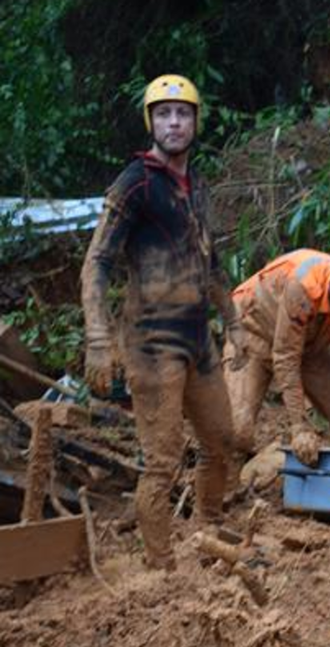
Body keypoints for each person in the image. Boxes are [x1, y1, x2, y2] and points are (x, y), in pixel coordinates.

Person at [81, 74, 245, 570]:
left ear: (196, 121)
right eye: (164, 114)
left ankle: (210, 533)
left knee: (222, 443)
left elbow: (211, 263)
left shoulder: (196, 186)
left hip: (199, 341)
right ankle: (161, 567)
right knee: (163, 463)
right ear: (151, 121)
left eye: (183, 113)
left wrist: (234, 322)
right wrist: (97, 336)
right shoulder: (136, 185)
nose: (174, 122)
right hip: (152, 346)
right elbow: (97, 264)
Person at [226, 246, 330, 467]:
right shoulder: (303, 288)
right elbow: (285, 356)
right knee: (237, 430)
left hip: (310, 345)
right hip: (252, 331)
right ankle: (225, 494)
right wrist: (299, 427)